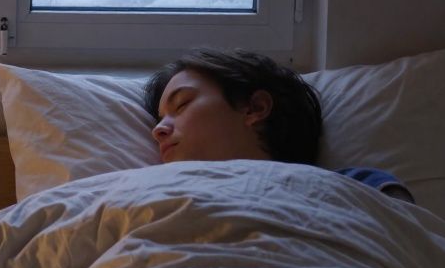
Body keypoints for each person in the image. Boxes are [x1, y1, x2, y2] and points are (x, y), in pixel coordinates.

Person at [143, 47, 414, 203]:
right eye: (160, 118)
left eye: (182, 105)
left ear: (255, 108)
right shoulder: (149, 197)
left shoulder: (358, 187)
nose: (158, 130)